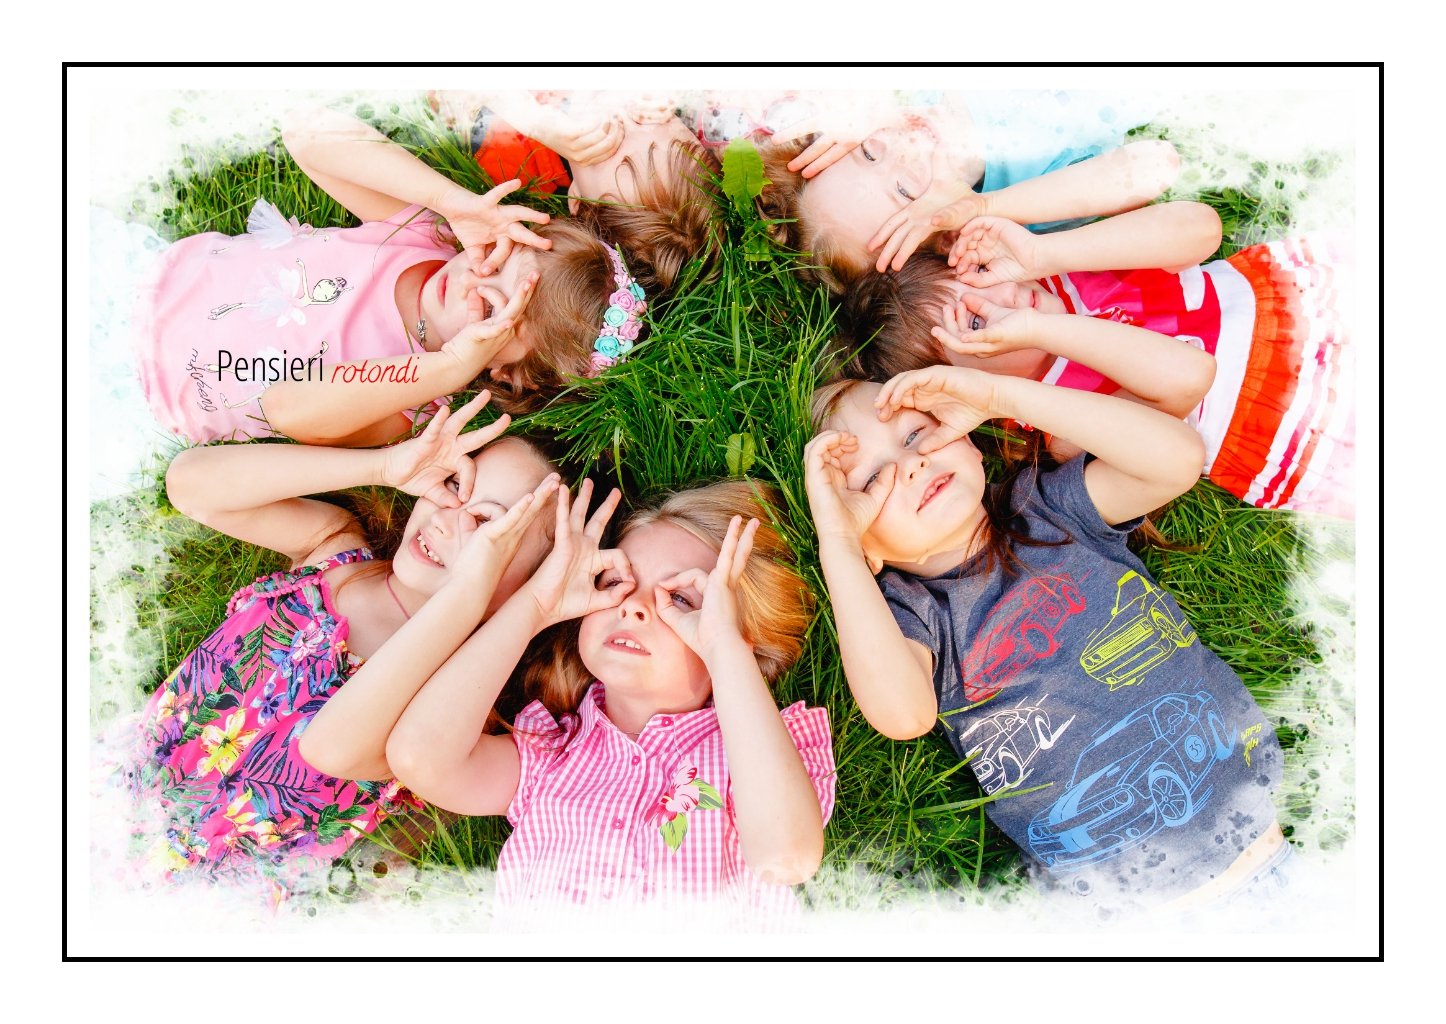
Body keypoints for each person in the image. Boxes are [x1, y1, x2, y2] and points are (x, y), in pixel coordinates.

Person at [804, 367, 1285, 912]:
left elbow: (1177, 459)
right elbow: (902, 715)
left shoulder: (1049, 509)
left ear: (968, 441)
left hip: (1261, 850)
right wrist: (838, 543)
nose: (910, 463)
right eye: (873, 480)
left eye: (916, 433)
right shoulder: (910, 611)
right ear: (867, 545)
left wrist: (998, 395)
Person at [129, 393, 563, 895]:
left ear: (535, 580)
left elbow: (332, 749)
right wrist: (385, 466)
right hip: (117, 790)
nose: (447, 518)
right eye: (451, 485)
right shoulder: (335, 554)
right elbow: (191, 485)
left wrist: (470, 592)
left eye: (488, 525)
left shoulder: (442, 705)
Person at [377, 478, 835, 927]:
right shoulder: (549, 758)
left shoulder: (755, 759)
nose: (634, 606)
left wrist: (726, 650)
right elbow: (421, 757)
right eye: (616, 581)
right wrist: (536, 604)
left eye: (681, 599)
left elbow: (786, 858)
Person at [134, 106, 634, 444]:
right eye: (499, 260)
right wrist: (451, 201)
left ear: (508, 372)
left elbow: (286, 409)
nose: (473, 277)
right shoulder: (425, 240)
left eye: (492, 306)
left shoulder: (413, 406)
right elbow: (307, 131)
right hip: (158, 280)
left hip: (151, 395)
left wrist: (451, 368)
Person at [844, 210, 1352, 517]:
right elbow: (1184, 377)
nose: (1003, 296)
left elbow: (1199, 228)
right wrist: (1038, 328)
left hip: (1302, 302)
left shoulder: (1061, 267)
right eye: (977, 322)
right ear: (968, 381)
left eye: (978, 275)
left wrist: (1044, 253)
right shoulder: (1061, 423)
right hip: (1297, 420)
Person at [757, 94, 1182, 288]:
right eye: (905, 190)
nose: (903, 152)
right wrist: (983, 205)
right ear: (947, 236)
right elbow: (1154, 165)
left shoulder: (921, 88)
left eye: (869, 152)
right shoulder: (1027, 195)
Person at [431, 90, 725, 296]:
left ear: (577, 198)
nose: (618, 109)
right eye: (650, 119)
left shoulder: (511, 155)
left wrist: (530, 118)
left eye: (608, 141)